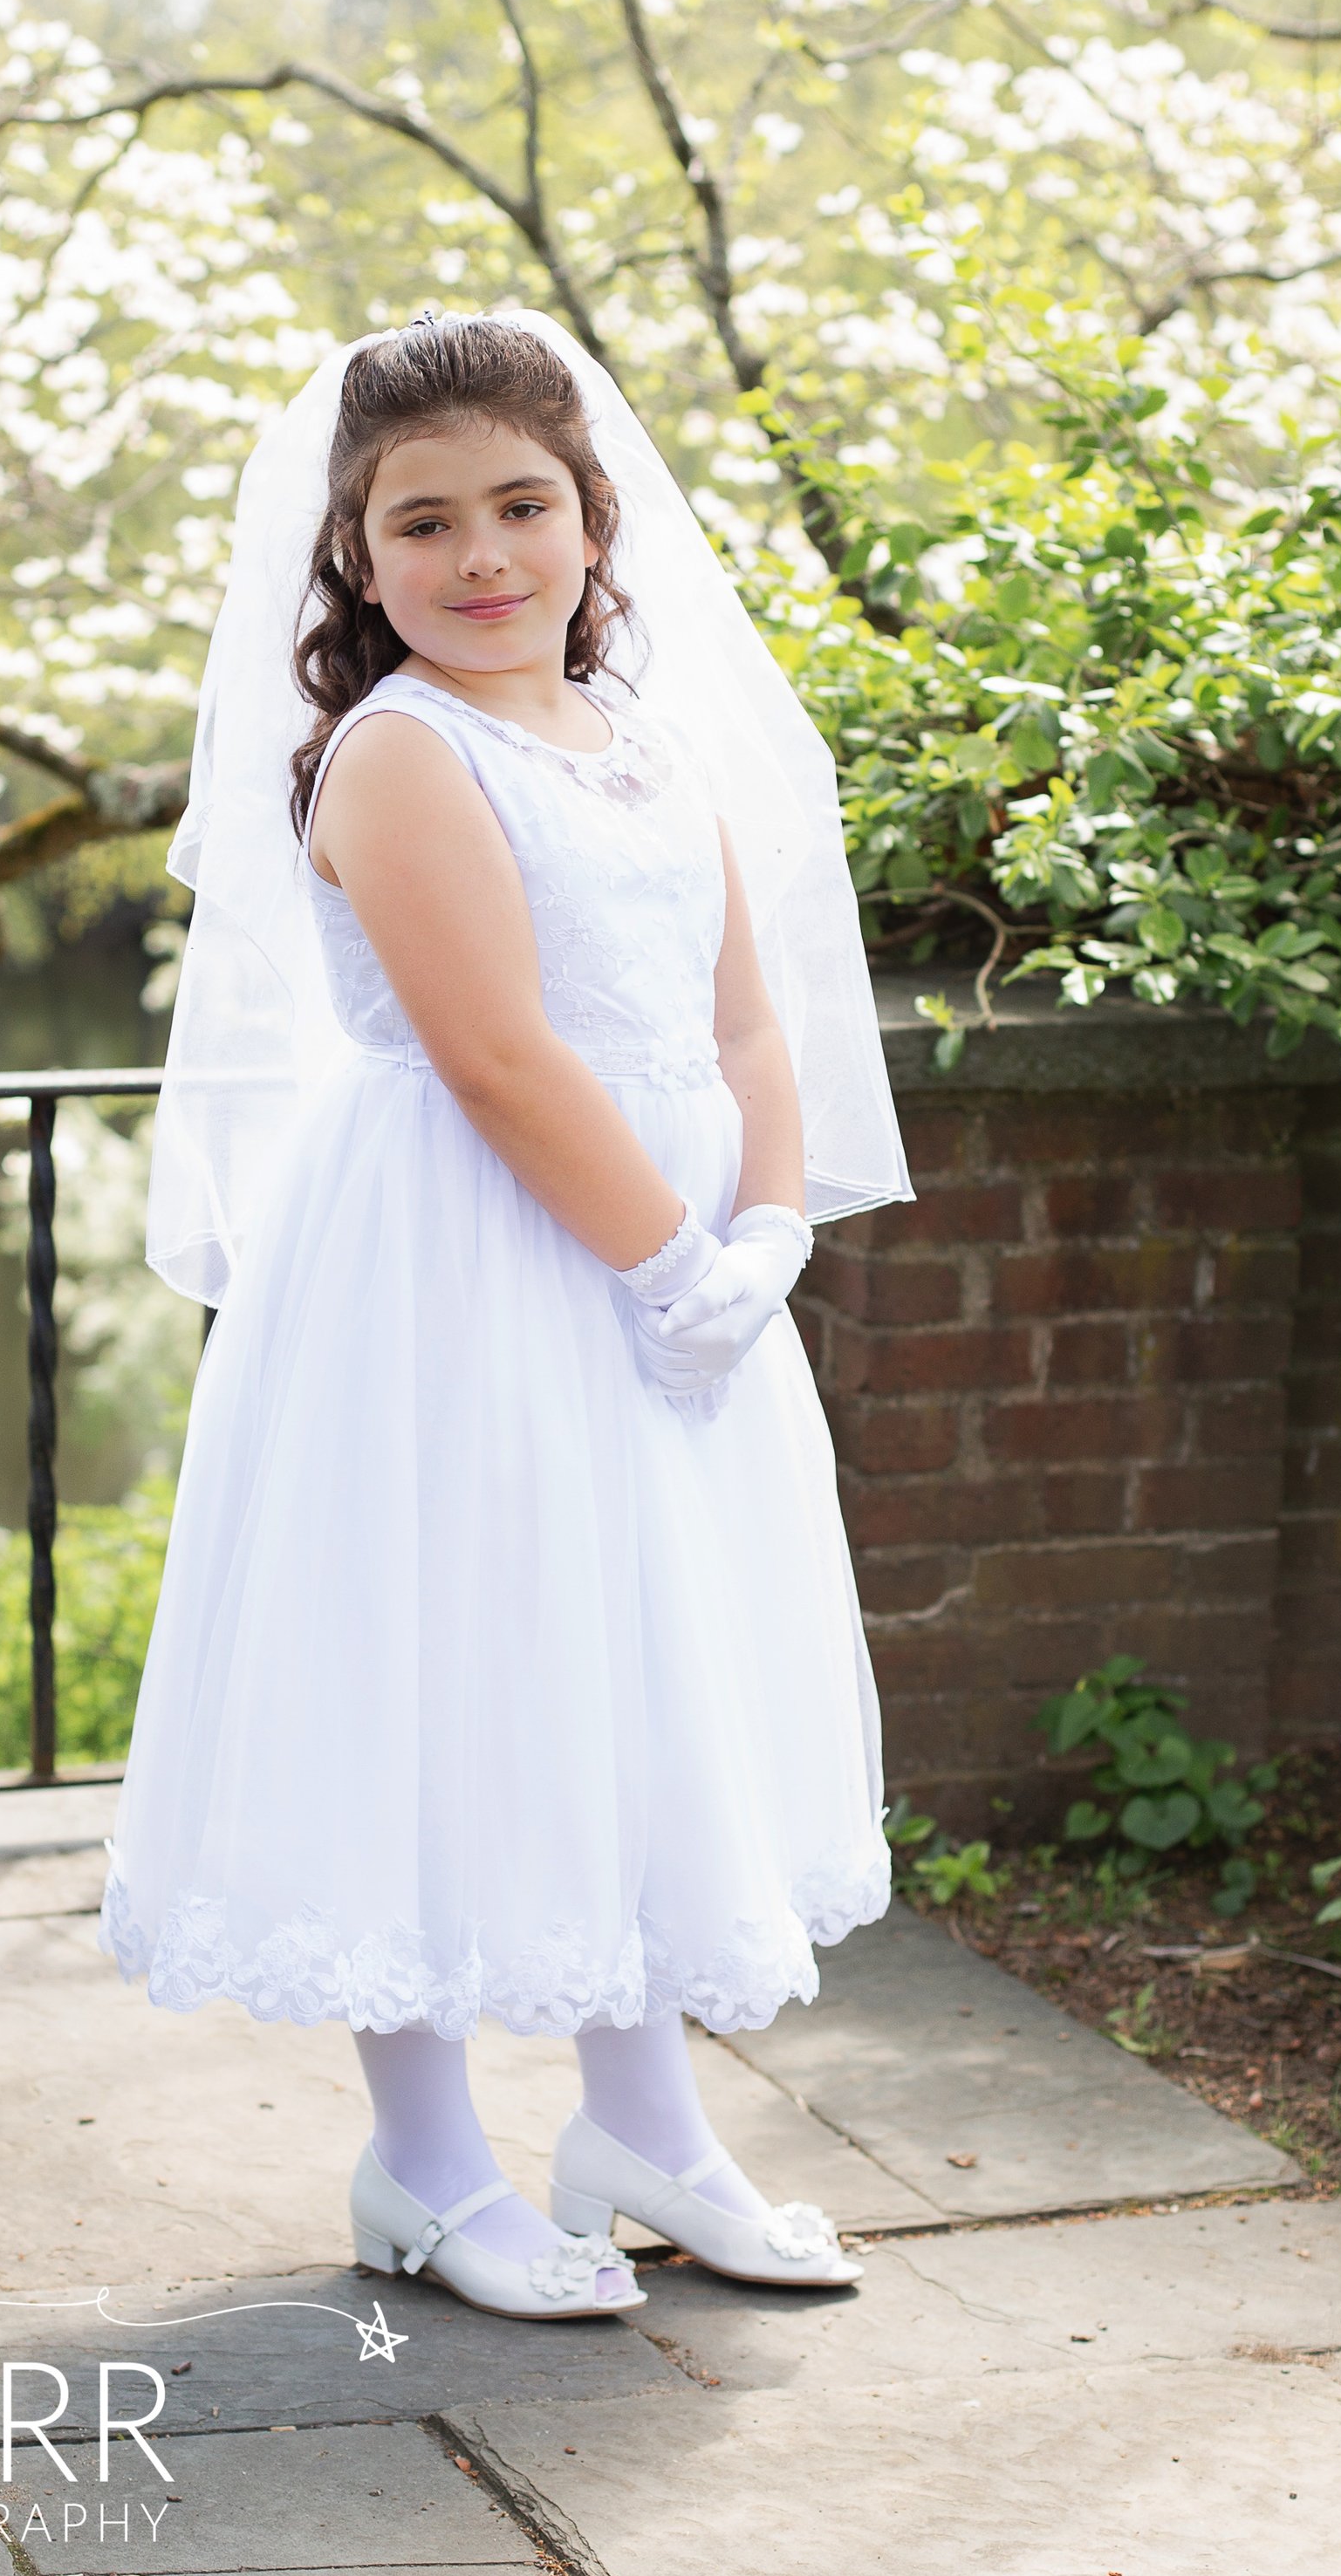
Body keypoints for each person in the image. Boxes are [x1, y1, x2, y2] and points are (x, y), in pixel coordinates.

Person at [98, 308, 911, 2320]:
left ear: (588, 516)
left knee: (636, 1666)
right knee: (448, 1664)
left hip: (686, 1274)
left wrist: (772, 1227)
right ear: (356, 561)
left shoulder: (643, 741)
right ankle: (428, 2162)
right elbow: (493, 1053)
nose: (483, 558)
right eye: (425, 523)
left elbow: (742, 1013)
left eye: (521, 507)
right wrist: (667, 1264)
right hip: (462, 1271)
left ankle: (645, 2129)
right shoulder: (393, 754)